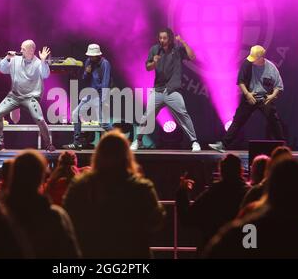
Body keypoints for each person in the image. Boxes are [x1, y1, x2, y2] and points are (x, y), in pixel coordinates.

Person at [64, 130, 165, 258]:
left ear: (99, 155)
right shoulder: (140, 187)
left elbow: (67, 218)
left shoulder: (81, 184)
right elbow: (156, 220)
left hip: (91, 252)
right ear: (127, 156)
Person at [130, 28, 200, 152]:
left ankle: (194, 142)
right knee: (147, 117)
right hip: (158, 90)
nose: (162, 40)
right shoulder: (155, 50)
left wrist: (183, 42)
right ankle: (138, 140)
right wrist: (154, 62)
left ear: (170, 38)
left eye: (165, 38)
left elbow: (192, 56)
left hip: (173, 91)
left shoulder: (177, 50)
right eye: (160, 38)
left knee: (183, 115)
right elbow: (148, 67)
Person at [209, 45, 284, 152]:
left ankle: (283, 146)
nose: (252, 60)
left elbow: (279, 86)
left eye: (255, 58)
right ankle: (223, 145)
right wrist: (247, 94)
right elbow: (241, 81)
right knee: (237, 121)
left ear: (261, 57)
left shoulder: (271, 68)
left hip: (265, 98)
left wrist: (272, 96)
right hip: (250, 96)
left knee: (274, 121)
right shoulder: (247, 64)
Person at [0, 40, 55, 151]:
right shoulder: (15, 59)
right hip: (14, 96)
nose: (20, 51)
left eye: (23, 49)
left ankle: (49, 144)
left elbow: (45, 75)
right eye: (21, 48)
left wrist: (43, 61)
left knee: (39, 118)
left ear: (31, 50)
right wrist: (7, 58)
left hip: (31, 97)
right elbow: (1, 69)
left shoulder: (38, 63)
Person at [63, 44, 112, 149]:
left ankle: (120, 141)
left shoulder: (105, 64)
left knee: (103, 124)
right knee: (75, 114)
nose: (90, 57)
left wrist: (104, 100)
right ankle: (77, 142)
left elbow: (105, 83)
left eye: (92, 55)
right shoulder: (88, 62)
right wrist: (86, 72)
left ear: (98, 55)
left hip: (100, 95)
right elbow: (85, 79)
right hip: (90, 94)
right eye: (89, 55)